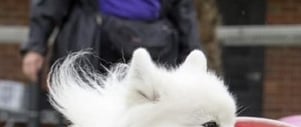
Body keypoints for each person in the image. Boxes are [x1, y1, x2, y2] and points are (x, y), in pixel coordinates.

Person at [21, 0, 201, 82]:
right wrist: (35, 47)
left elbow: (184, 13)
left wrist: (193, 57)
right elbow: (51, 5)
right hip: (93, 47)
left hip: (155, 48)